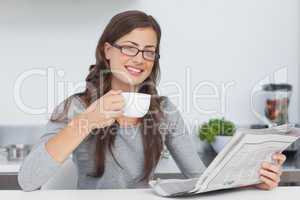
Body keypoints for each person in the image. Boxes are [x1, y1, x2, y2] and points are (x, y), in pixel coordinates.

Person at [18, 10, 286, 192]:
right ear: (107, 51)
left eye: (149, 51)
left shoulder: (164, 110)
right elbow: (28, 181)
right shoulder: (77, 107)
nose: (139, 59)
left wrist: (251, 182)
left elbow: (199, 178)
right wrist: (87, 120)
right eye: (129, 48)